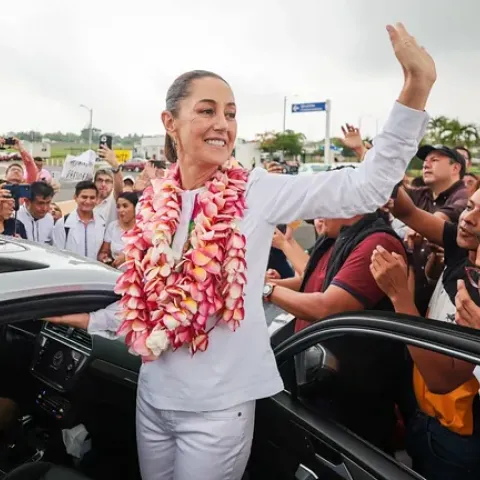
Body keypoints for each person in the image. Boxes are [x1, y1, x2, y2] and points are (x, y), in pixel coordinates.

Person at [45, 23, 436, 480]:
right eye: (207, 110)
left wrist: (415, 87)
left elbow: (365, 186)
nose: (223, 124)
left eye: (231, 113)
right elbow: (145, 306)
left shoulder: (256, 192)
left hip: (216, 411)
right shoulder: (153, 201)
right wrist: (66, 313)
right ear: (169, 122)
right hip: (152, 396)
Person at [265, 209, 407, 453]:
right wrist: (267, 284)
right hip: (321, 376)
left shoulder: (375, 243)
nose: (318, 213)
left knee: (348, 458)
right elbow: (311, 279)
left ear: (350, 206)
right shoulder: (336, 237)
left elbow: (327, 307)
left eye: (326, 203)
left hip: (351, 391)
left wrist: (267, 291)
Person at [52, 181, 106, 260]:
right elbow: (57, 254)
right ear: (75, 198)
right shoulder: (63, 224)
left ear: (97, 199)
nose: (88, 201)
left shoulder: (102, 223)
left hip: (95, 271)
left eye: (92, 198)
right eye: (84, 197)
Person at [97, 192, 138, 268]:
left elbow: (147, 253)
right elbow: (104, 251)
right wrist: (104, 258)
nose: (121, 210)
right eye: (118, 207)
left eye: (125, 206)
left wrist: (127, 258)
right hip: (116, 274)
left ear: (135, 208)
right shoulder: (112, 226)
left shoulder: (141, 227)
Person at [94, 146, 124, 225]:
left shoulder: (114, 200)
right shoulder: (88, 201)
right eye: (100, 180)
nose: (103, 184)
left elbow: (119, 189)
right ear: (94, 182)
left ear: (113, 184)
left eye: (107, 181)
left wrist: (115, 166)